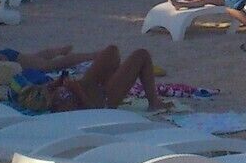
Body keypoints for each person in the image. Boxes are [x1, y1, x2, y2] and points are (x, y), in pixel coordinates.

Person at [11, 44, 170, 114]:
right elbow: (92, 111)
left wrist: (57, 84)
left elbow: (47, 89)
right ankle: (154, 103)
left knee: (111, 51)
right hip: (103, 101)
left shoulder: (47, 95)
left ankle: (114, 80)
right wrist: (77, 90)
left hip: (89, 86)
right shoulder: (60, 108)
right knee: (142, 55)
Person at [0, 21, 83, 87]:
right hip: (1, 57)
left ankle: (90, 56)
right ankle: (59, 51)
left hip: (9, 62)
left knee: (48, 66)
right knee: (35, 58)